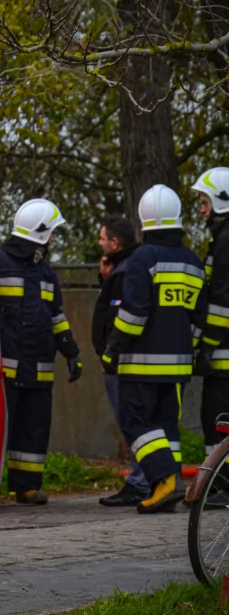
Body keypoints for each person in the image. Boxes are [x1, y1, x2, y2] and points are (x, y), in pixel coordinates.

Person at [101, 184, 205, 514]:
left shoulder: (143, 258)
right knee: (166, 425)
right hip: (177, 366)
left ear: (144, 220)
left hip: (141, 364)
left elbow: (133, 315)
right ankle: (167, 488)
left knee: (136, 421)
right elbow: (200, 319)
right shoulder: (192, 260)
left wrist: (112, 351)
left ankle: (165, 479)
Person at [0, 199, 82, 505]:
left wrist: (71, 351)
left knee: (34, 427)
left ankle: (26, 486)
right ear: (40, 234)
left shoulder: (46, 272)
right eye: (50, 232)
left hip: (39, 365)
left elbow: (56, 316)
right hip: (3, 369)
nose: (52, 239)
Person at [93, 216, 150, 506]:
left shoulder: (125, 273)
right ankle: (145, 480)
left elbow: (116, 319)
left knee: (132, 423)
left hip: (120, 364)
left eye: (103, 239)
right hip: (121, 361)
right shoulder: (124, 270)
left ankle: (140, 482)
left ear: (115, 243)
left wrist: (109, 356)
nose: (100, 243)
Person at [192, 168, 229, 459]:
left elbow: (221, 304)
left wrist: (205, 348)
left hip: (223, 354)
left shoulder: (226, 241)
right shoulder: (221, 239)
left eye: (206, 202)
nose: (202, 209)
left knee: (217, 422)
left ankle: (221, 486)